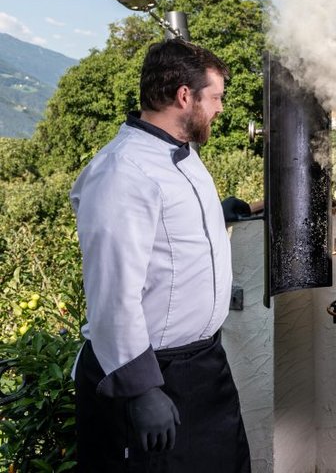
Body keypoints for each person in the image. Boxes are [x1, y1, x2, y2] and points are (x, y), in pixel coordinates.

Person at [70, 38, 251, 472]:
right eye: (216, 97)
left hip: (204, 367)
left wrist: (219, 215)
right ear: (184, 96)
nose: (221, 108)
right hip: (154, 373)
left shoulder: (182, 152)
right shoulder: (122, 172)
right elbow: (113, 293)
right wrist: (141, 389)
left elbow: (165, 234)